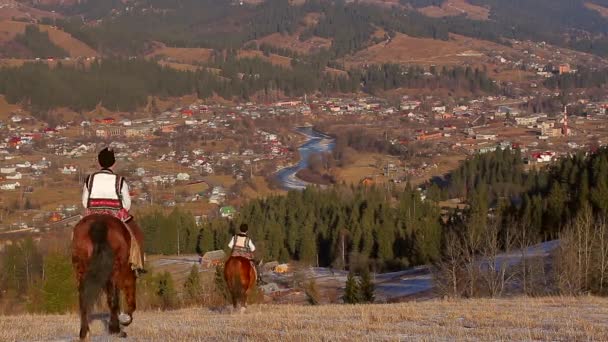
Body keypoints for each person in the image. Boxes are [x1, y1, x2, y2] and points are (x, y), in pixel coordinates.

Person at [82, 147, 146, 276]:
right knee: (136, 235)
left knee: (77, 233)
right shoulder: (119, 180)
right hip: (116, 214)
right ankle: (137, 264)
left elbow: (85, 201)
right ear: (114, 163)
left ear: (99, 163)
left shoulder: (90, 179)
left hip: (93, 214)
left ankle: (77, 257)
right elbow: (126, 204)